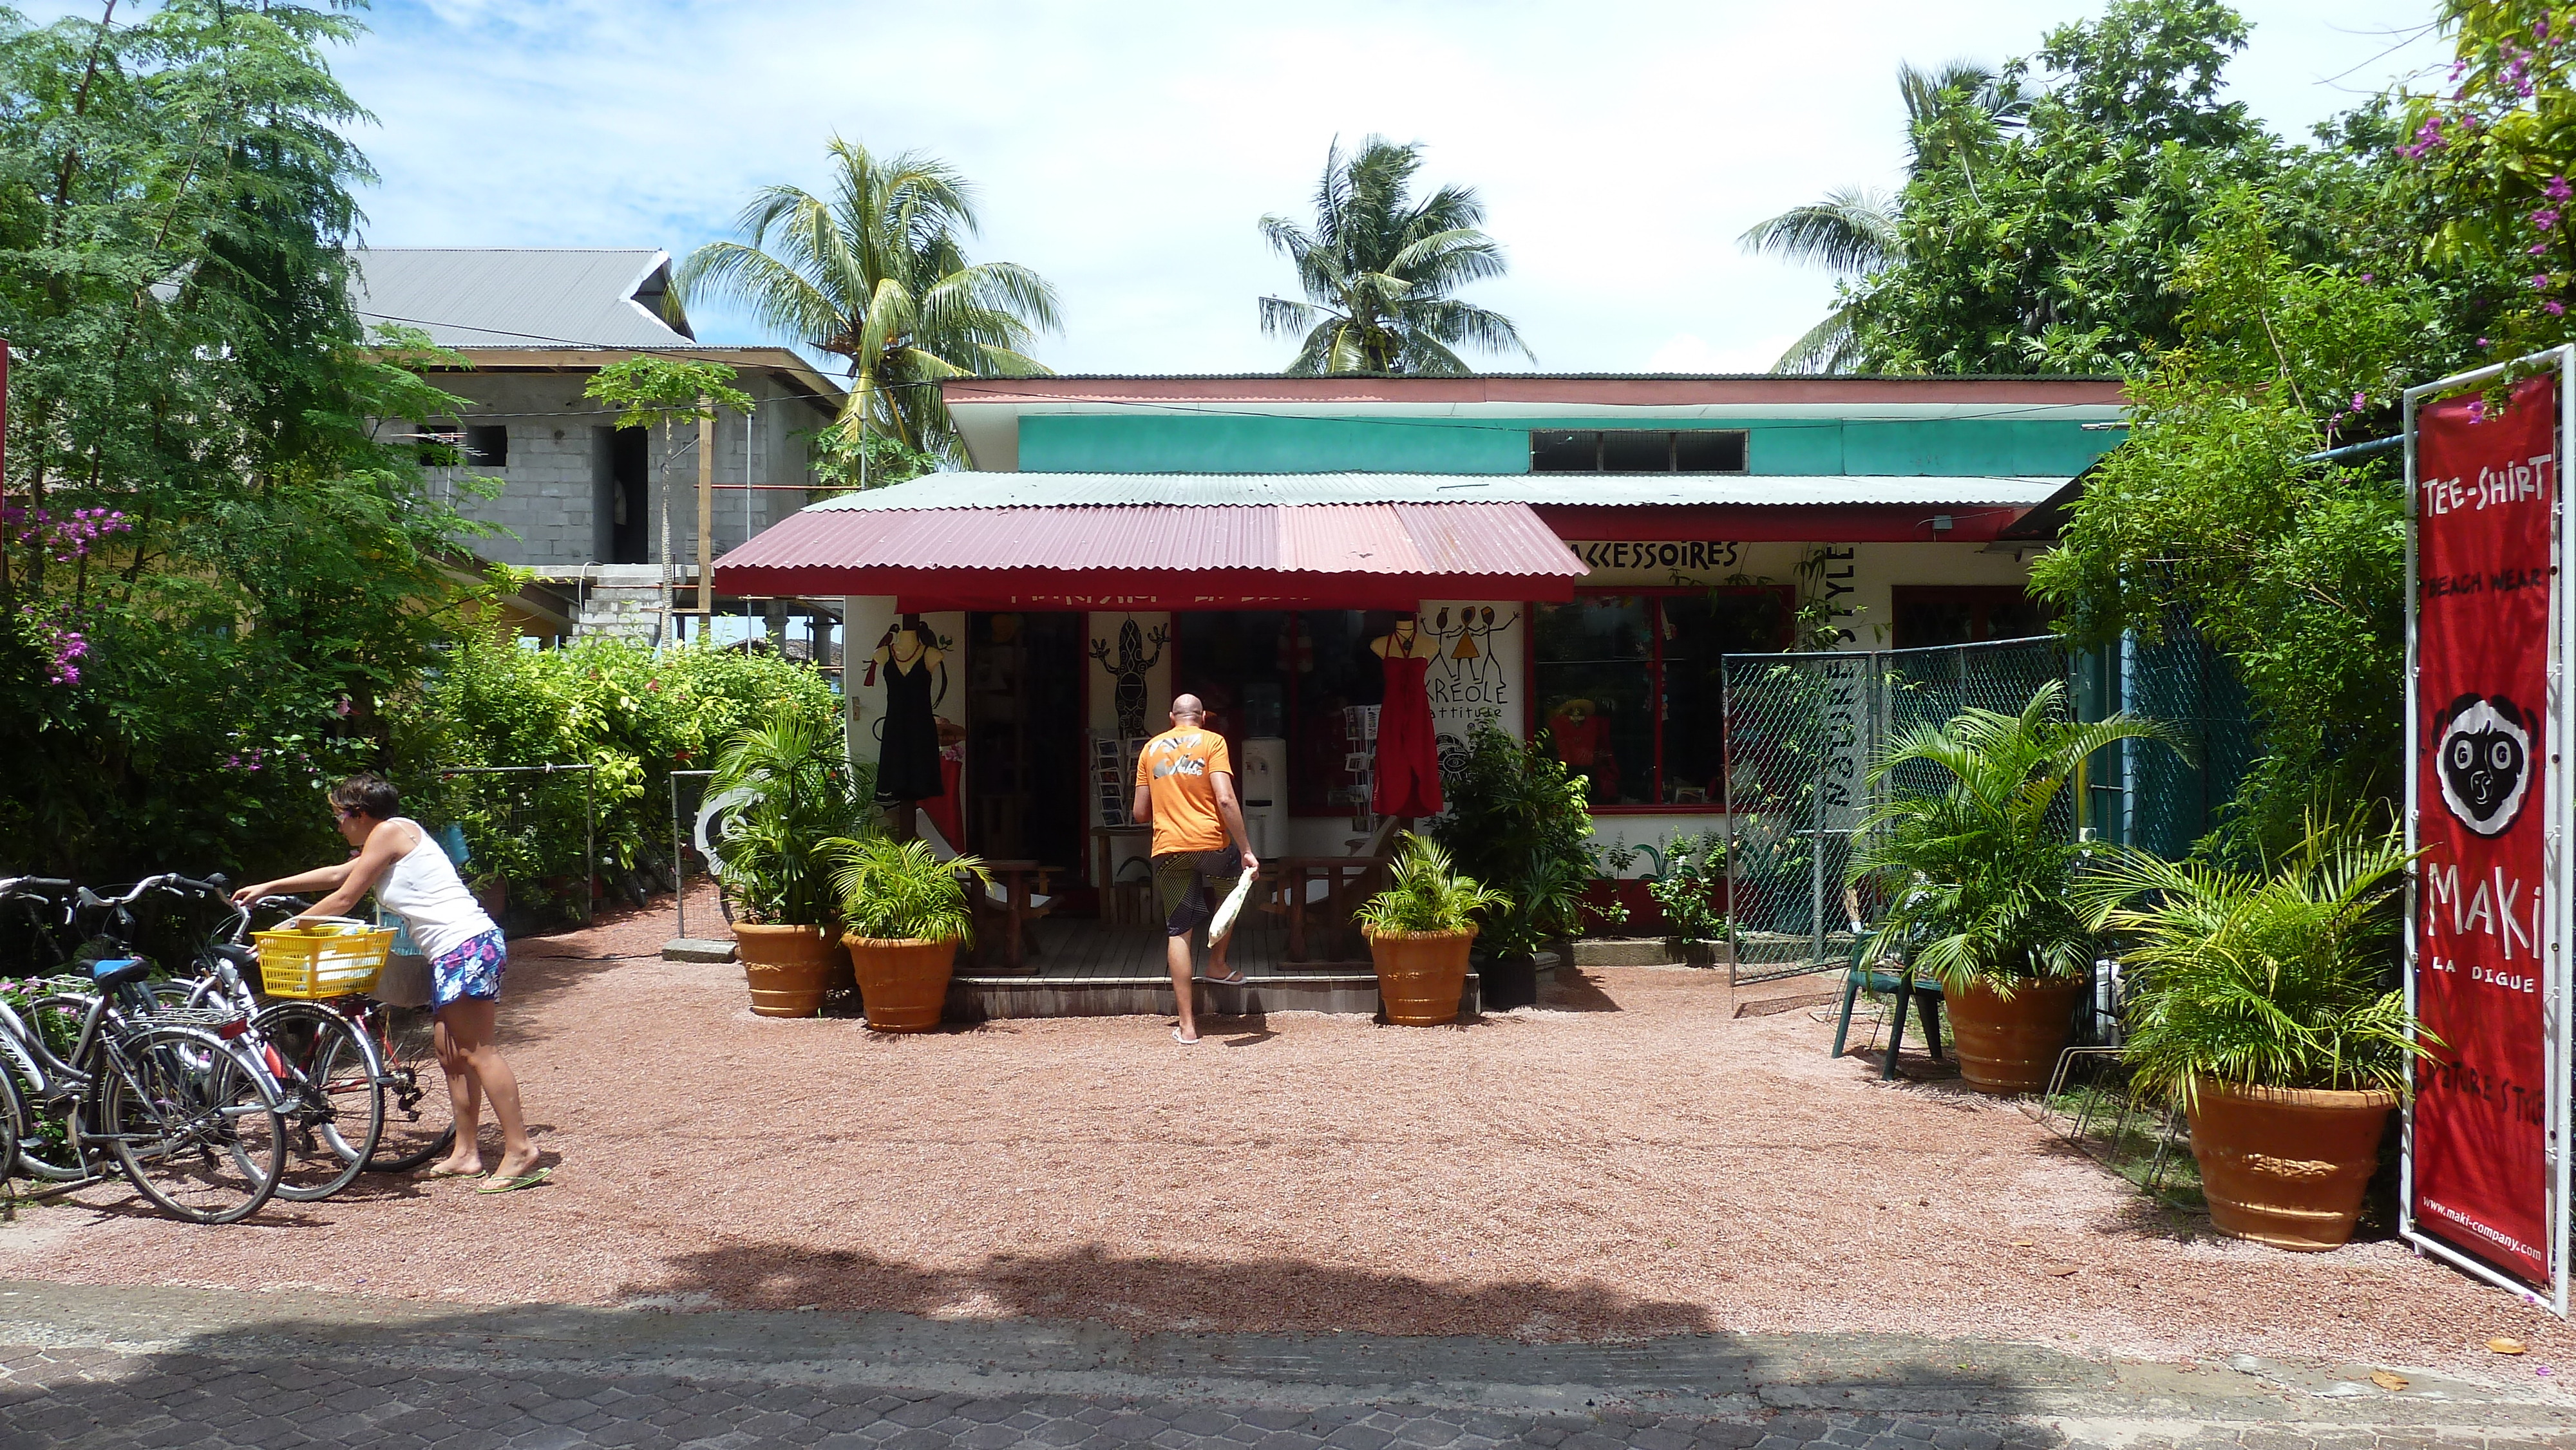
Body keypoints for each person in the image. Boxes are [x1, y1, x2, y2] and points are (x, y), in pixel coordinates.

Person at [232, 773, 549, 1192]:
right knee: (449, 1052)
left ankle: (521, 1150)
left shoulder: (390, 830)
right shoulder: (387, 839)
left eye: (339, 817)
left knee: (477, 1052)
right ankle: (466, 1153)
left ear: (358, 814)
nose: (338, 826)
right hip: (449, 951)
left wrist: (285, 929)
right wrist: (271, 885)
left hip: (465, 946)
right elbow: (337, 875)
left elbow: (344, 899)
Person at [1131, 694, 1260, 1044]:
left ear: (1172, 716)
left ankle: (1188, 1028)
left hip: (1170, 850)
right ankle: (1217, 963)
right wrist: (1246, 849)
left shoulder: (1150, 749)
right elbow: (1226, 798)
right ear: (1202, 716)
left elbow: (1140, 813)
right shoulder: (1213, 741)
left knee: (1179, 930)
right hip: (1213, 844)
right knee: (1232, 892)